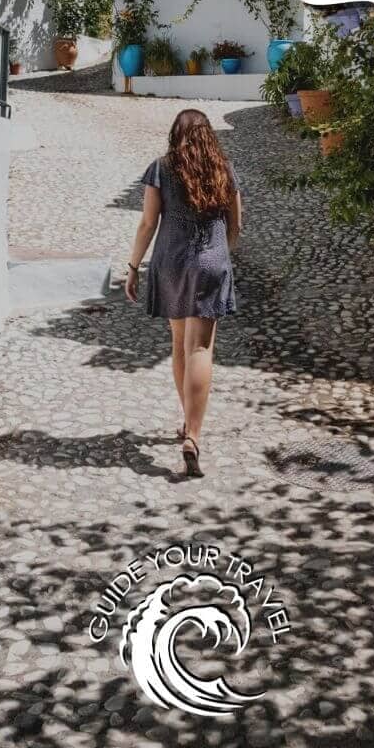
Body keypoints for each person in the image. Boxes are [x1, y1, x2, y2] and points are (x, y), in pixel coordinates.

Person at [124, 109, 242, 477]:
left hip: (171, 261)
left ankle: (187, 421)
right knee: (201, 348)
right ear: (209, 135)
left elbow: (148, 222)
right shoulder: (223, 168)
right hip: (211, 261)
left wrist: (132, 266)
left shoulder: (162, 168)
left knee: (179, 345)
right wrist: (218, 256)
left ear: (174, 135)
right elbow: (236, 224)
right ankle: (193, 432)